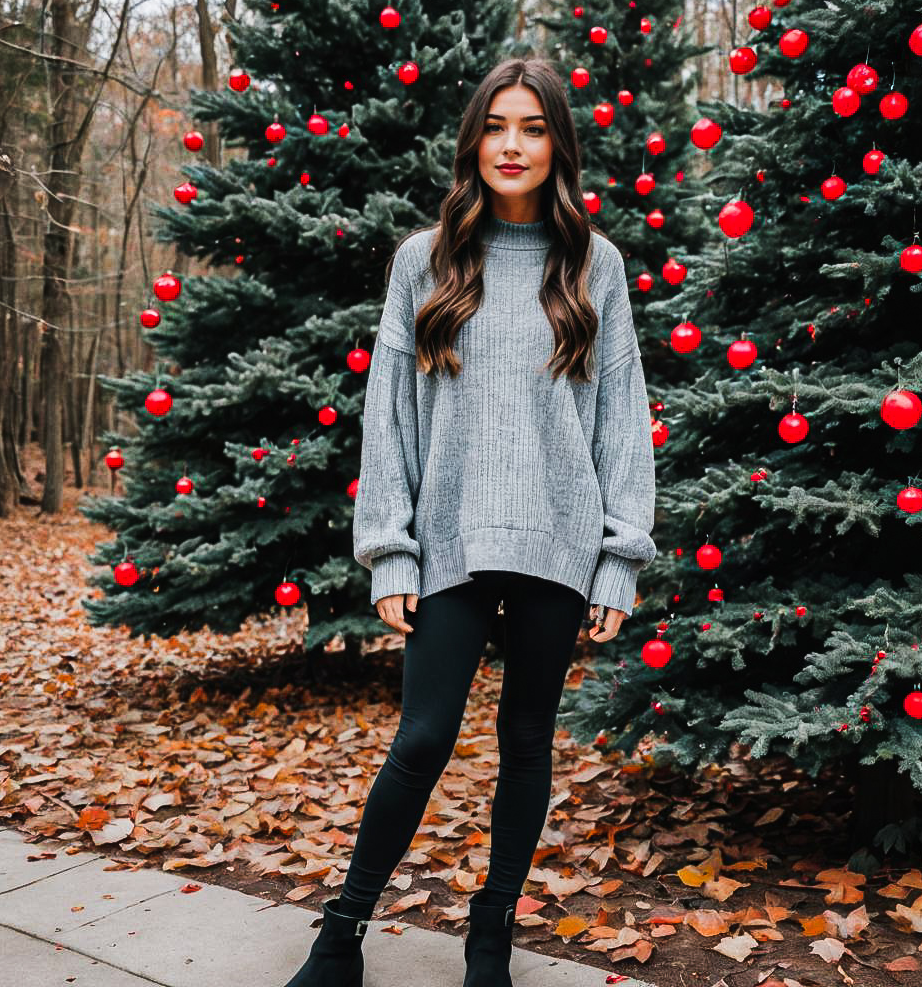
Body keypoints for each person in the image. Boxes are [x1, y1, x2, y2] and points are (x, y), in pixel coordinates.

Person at [282, 55, 657, 987]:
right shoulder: (426, 258)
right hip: (449, 537)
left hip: (559, 539)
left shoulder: (594, 264)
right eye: (497, 126)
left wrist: (621, 559)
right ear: (474, 142)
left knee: (528, 740)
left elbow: (621, 416)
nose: (513, 144)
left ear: (556, 145)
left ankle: (490, 933)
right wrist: (389, 551)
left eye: (533, 127)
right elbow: (387, 413)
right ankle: (342, 934)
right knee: (422, 738)